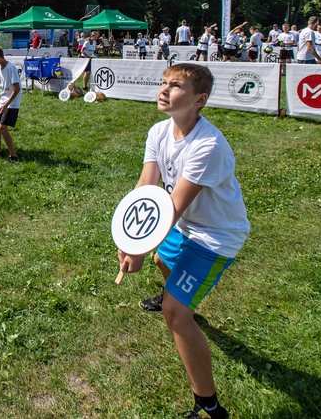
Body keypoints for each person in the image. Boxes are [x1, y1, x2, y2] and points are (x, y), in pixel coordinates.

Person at [118, 63, 249, 419]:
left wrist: (139, 248)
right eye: (163, 83)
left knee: (175, 315)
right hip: (184, 226)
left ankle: (208, 406)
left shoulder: (207, 145)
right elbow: (146, 187)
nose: (164, 89)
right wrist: (130, 237)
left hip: (215, 236)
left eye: (175, 86)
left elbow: (174, 206)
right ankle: (178, 296)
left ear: (199, 100)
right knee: (164, 261)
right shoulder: (159, 131)